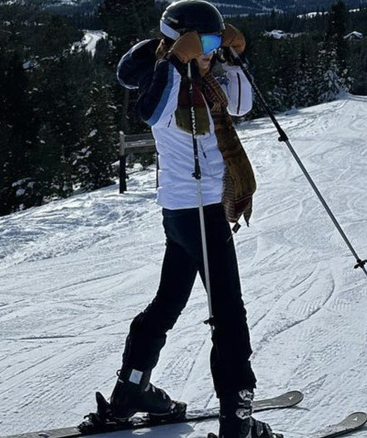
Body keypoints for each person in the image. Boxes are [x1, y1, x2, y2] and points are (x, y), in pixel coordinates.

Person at [112, 1, 278, 437]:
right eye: (202, 44)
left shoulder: (205, 81)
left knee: (168, 301)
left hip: (185, 213)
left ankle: (131, 389)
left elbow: (241, 105)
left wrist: (235, 54)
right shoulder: (164, 80)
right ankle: (237, 418)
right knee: (228, 312)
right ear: (178, 41)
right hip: (197, 211)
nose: (210, 54)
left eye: (215, 43)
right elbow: (150, 111)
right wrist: (177, 59)